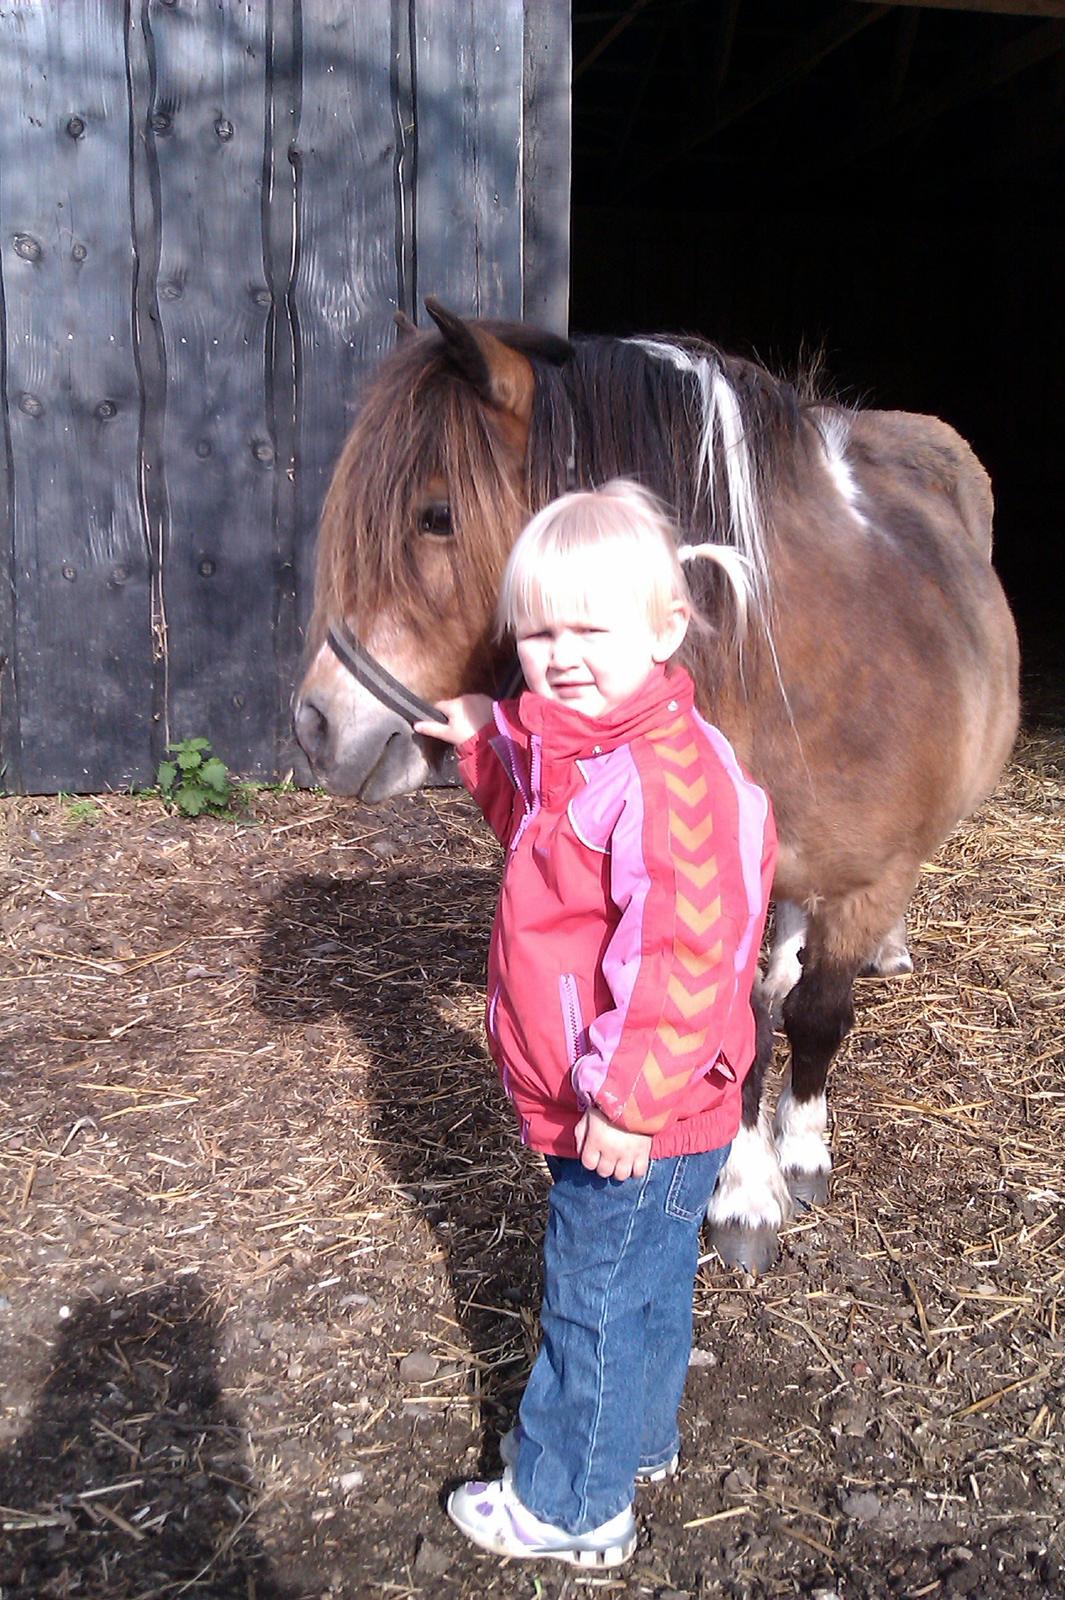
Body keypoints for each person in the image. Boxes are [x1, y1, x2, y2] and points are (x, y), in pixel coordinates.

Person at [413, 478, 777, 1569]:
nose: (560, 655)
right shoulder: (587, 746)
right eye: (536, 632)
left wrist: (622, 1101)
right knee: (650, 1280)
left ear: (666, 629)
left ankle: (570, 1505)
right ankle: (635, 1440)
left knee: (592, 1299)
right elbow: (536, 822)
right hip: (654, 1104)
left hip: (635, 1105)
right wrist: (482, 742)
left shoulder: (670, 783)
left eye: (589, 628)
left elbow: (682, 961)